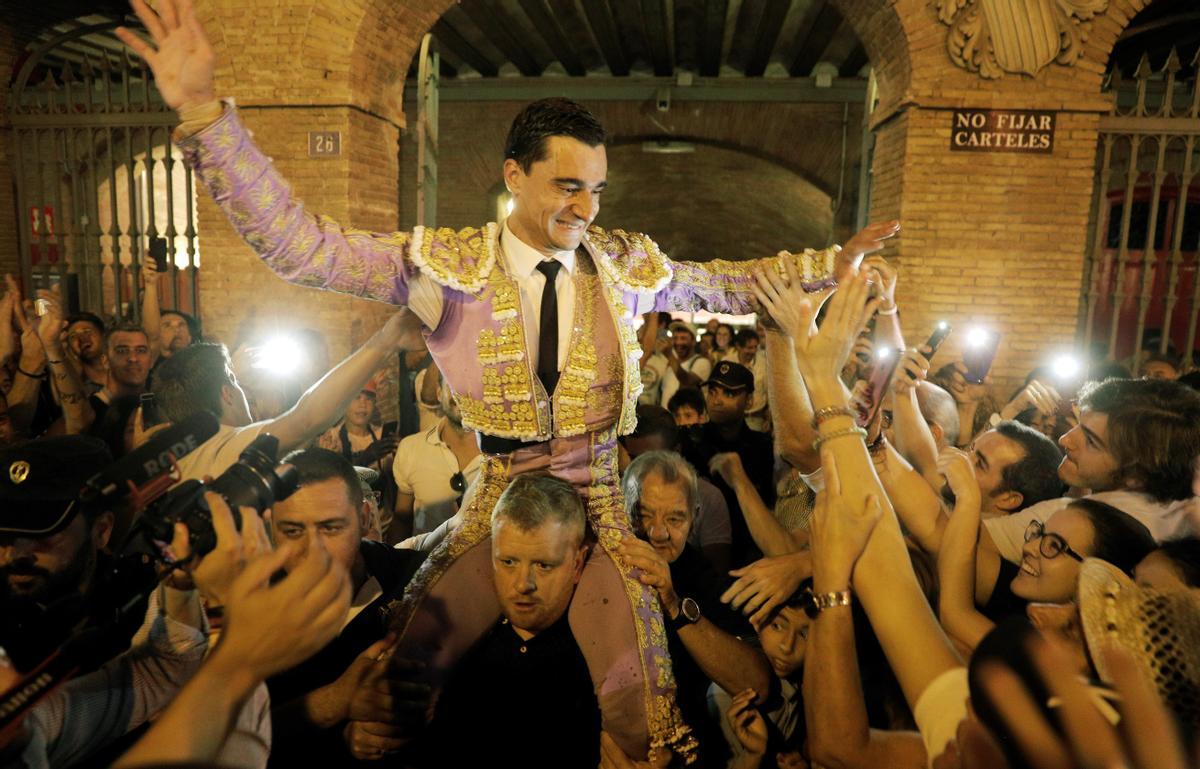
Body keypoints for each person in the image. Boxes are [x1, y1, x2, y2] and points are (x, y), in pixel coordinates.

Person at [118, 3, 897, 756]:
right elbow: (301, 247)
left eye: (596, 189)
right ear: (514, 175)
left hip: (599, 503)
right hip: (494, 504)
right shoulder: (445, 267)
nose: (586, 208)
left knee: (642, 712)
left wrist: (829, 267)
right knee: (397, 690)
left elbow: (722, 284)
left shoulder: (625, 265)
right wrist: (204, 116)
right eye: (568, 186)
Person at [0, 436, 211, 769]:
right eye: (5, 532)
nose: (15, 552)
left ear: (101, 531)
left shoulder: (142, 596)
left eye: (42, 532)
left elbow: (160, 672)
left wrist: (181, 581)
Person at [395, 474, 600, 768]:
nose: (522, 584)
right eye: (508, 562)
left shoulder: (598, 661)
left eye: (543, 565)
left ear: (577, 563)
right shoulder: (455, 651)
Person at [264, 449, 426, 767]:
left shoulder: (417, 579)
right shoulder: (247, 606)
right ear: (271, 526)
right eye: (293, 531)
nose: (314, 552)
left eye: (331, 528)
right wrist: (335, 702)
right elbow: (220, 736)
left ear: (365, 518)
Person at [619, 451, 771, 767]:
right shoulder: (600, 569)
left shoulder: (706, 582)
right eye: (644, 515)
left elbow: (758, 686)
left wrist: (674, 605)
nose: (658, 534)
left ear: (695, 516)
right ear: (622, 510)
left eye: (674, 519)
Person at [151, 308, 423, 482]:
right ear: (227, 393)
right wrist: (388, 339)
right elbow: (307, 417)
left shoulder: (165, 462)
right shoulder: (225, 444)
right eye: (236, 384)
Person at [982, 377, 1200, 564]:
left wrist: (1008, 413)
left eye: (1092, 441)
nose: (1065, 439)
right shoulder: (1182, 513)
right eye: (1079, 424)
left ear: (1136, 474)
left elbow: (956, 537)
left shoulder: (1074, 520)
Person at [683, 361, 776, 567]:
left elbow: (769, 506)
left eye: (730, 394)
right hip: (699, 556)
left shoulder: (763, 448)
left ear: (749, 401)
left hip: (751, 555)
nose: (717, 401)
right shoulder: (691, 441)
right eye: (713, 392)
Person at [391, 378, 481, 544]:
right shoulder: (411, 448)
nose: (463, 394)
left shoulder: (507, 454)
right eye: (454, 385)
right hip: (424, 565)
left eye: (472, 385)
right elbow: (402, 518)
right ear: (439, 393)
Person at [661, 321, 714, 409]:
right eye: (675, 338)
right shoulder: (669, 363)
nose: (678, 342)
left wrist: (670, 355)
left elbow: (687, 381)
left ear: (693, 341)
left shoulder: (702, 362)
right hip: (665, 419)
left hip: (685, 420)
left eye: (683, 338)